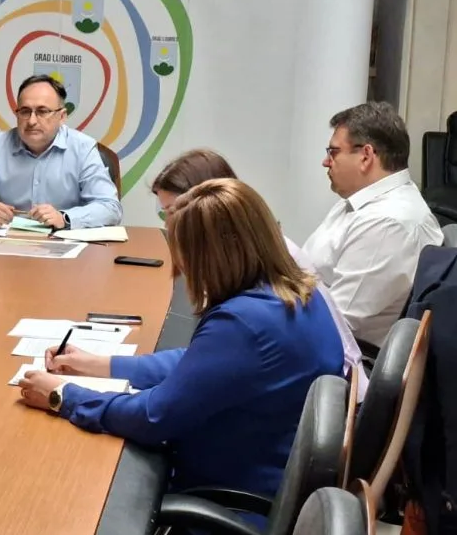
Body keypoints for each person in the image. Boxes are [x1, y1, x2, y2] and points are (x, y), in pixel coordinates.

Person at [18, 179, 344, 535]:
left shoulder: (242, 323)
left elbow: (153, 417)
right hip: (266, 485)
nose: (182, 266)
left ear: (212, 254)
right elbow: (200, 365)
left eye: (184, 252)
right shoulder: (295, 295)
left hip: (229, 516)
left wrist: (63, 396)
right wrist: (99, 364)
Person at [150, 149, 366, 399]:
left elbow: (165, 407)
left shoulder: (254, 273)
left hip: (331, 398)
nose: (168, 226)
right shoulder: (259, 247)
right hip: (323, 393)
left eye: (172, 213)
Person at [303, 102, 443, 347]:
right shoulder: (360, 201)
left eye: (333, 152)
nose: (326, 161)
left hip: (338, 353)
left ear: (366, 156)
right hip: (307, 320)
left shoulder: (387, 223)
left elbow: (336, 323)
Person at [0, 74, 121, 230]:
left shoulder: (83, 148)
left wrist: (64, 218)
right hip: (9, 244)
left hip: (65, 244)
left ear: (62, 116)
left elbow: (110, 207)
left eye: (42, 111)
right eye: (25, 111)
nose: (32, 121)